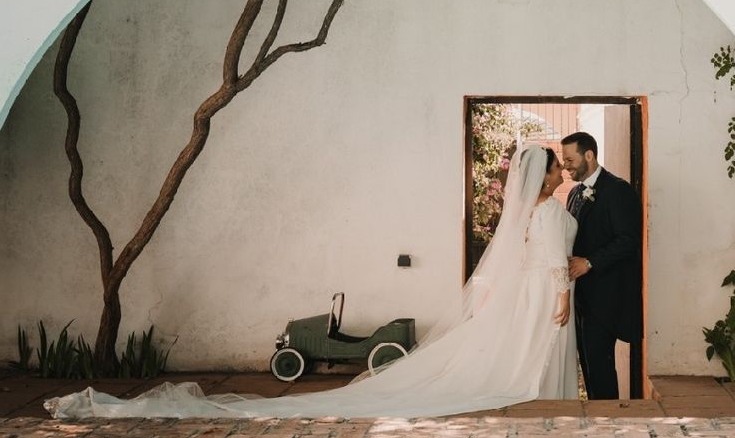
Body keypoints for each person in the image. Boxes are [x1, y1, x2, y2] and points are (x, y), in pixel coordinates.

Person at [45, 145, 579, 419]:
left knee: (512, 355)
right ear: (544, 174)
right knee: (533, 352)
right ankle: (545, 399)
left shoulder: (528, 213)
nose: (559, 174)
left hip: (523, 293)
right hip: (539, 294)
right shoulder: (548, 213)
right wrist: (561, 295)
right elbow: (555, 260)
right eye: (555, 168)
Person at [561, 132, 642, 400]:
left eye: (570, 159)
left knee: (601, 369)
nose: (566, 166)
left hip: (607, 297)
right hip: (579, 298)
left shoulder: (618, 190)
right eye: (563, 161)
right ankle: (596, 420)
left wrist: (590, 262)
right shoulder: (574, 194)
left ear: (589, 155)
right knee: (589, 369)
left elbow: (628, 240)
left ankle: (609, 424)